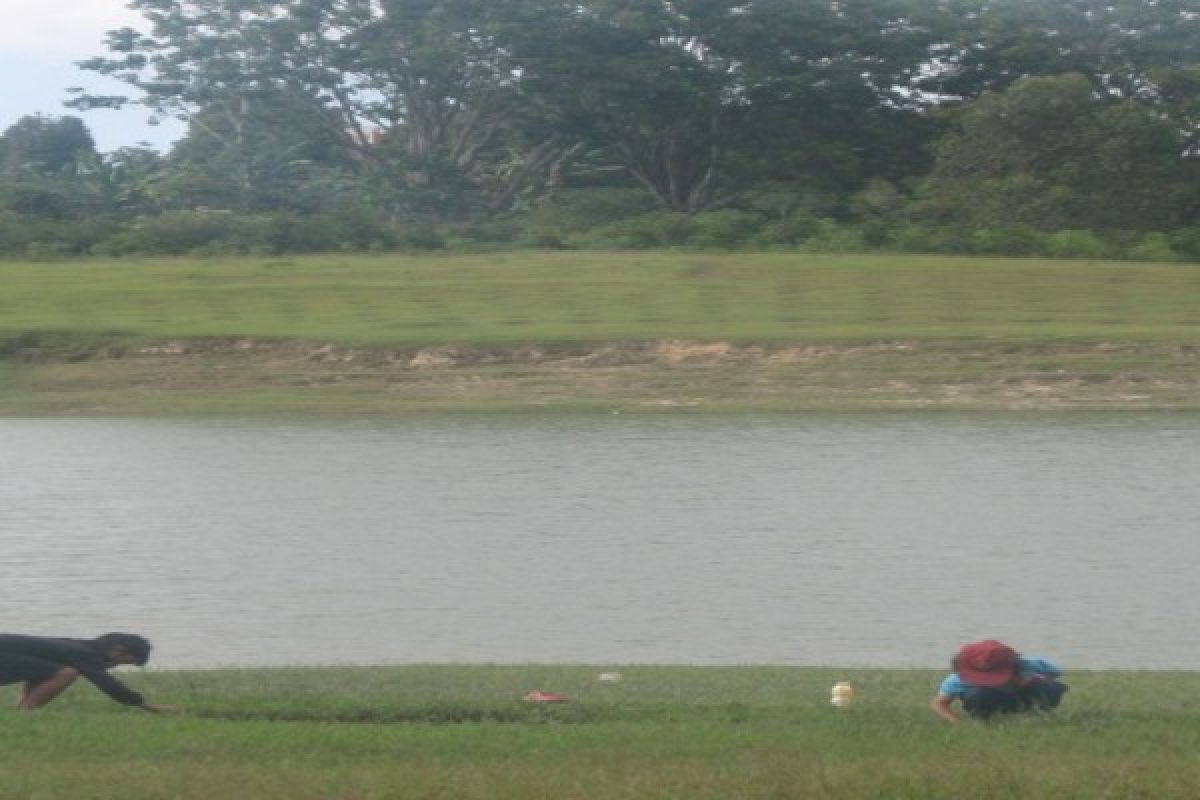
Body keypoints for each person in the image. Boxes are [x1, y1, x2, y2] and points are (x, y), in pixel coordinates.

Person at [0, 632, 176, 712]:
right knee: (66, 673)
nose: (118, 666)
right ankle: (25, 713)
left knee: (52, 671)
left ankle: (21, 712)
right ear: (118, 651)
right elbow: (107, 684)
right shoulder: (84, 654)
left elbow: (36, 671)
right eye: (125, 662)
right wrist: (147, 706)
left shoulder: (72, 647)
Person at [930, 639, 1067, 723]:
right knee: (978, 694)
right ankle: (982, 720)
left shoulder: (1029, 664)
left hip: (1022, 697)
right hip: (988, 700)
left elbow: (1055, 673)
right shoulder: (959, 678)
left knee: (1052, 687)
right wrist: (956, 722)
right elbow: (939, 704)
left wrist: (1036, 679)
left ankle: (1037, 715)